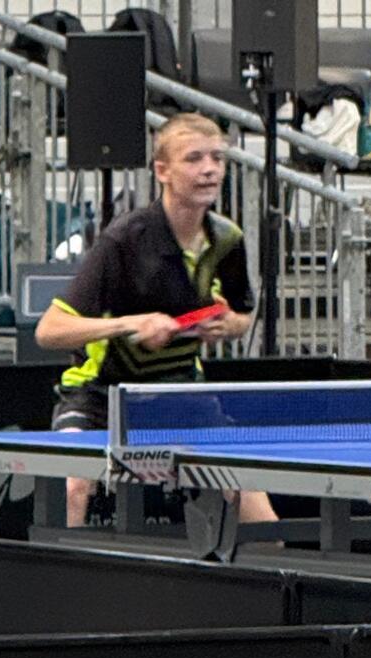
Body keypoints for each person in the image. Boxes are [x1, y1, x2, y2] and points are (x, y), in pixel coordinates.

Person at [34, 112, 276, 529]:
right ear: (162, 170)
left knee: (259, 514)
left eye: (217, 158)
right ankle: (65, 583)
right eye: (194, 158)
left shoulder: (227, 239)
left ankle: (266, 586)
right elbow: (49, 331)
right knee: (72, 488)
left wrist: (226, 326)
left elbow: (242, 314)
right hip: (101, 395)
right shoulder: (124, 241)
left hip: (182, 394)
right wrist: (129, 324)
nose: (209, 169)